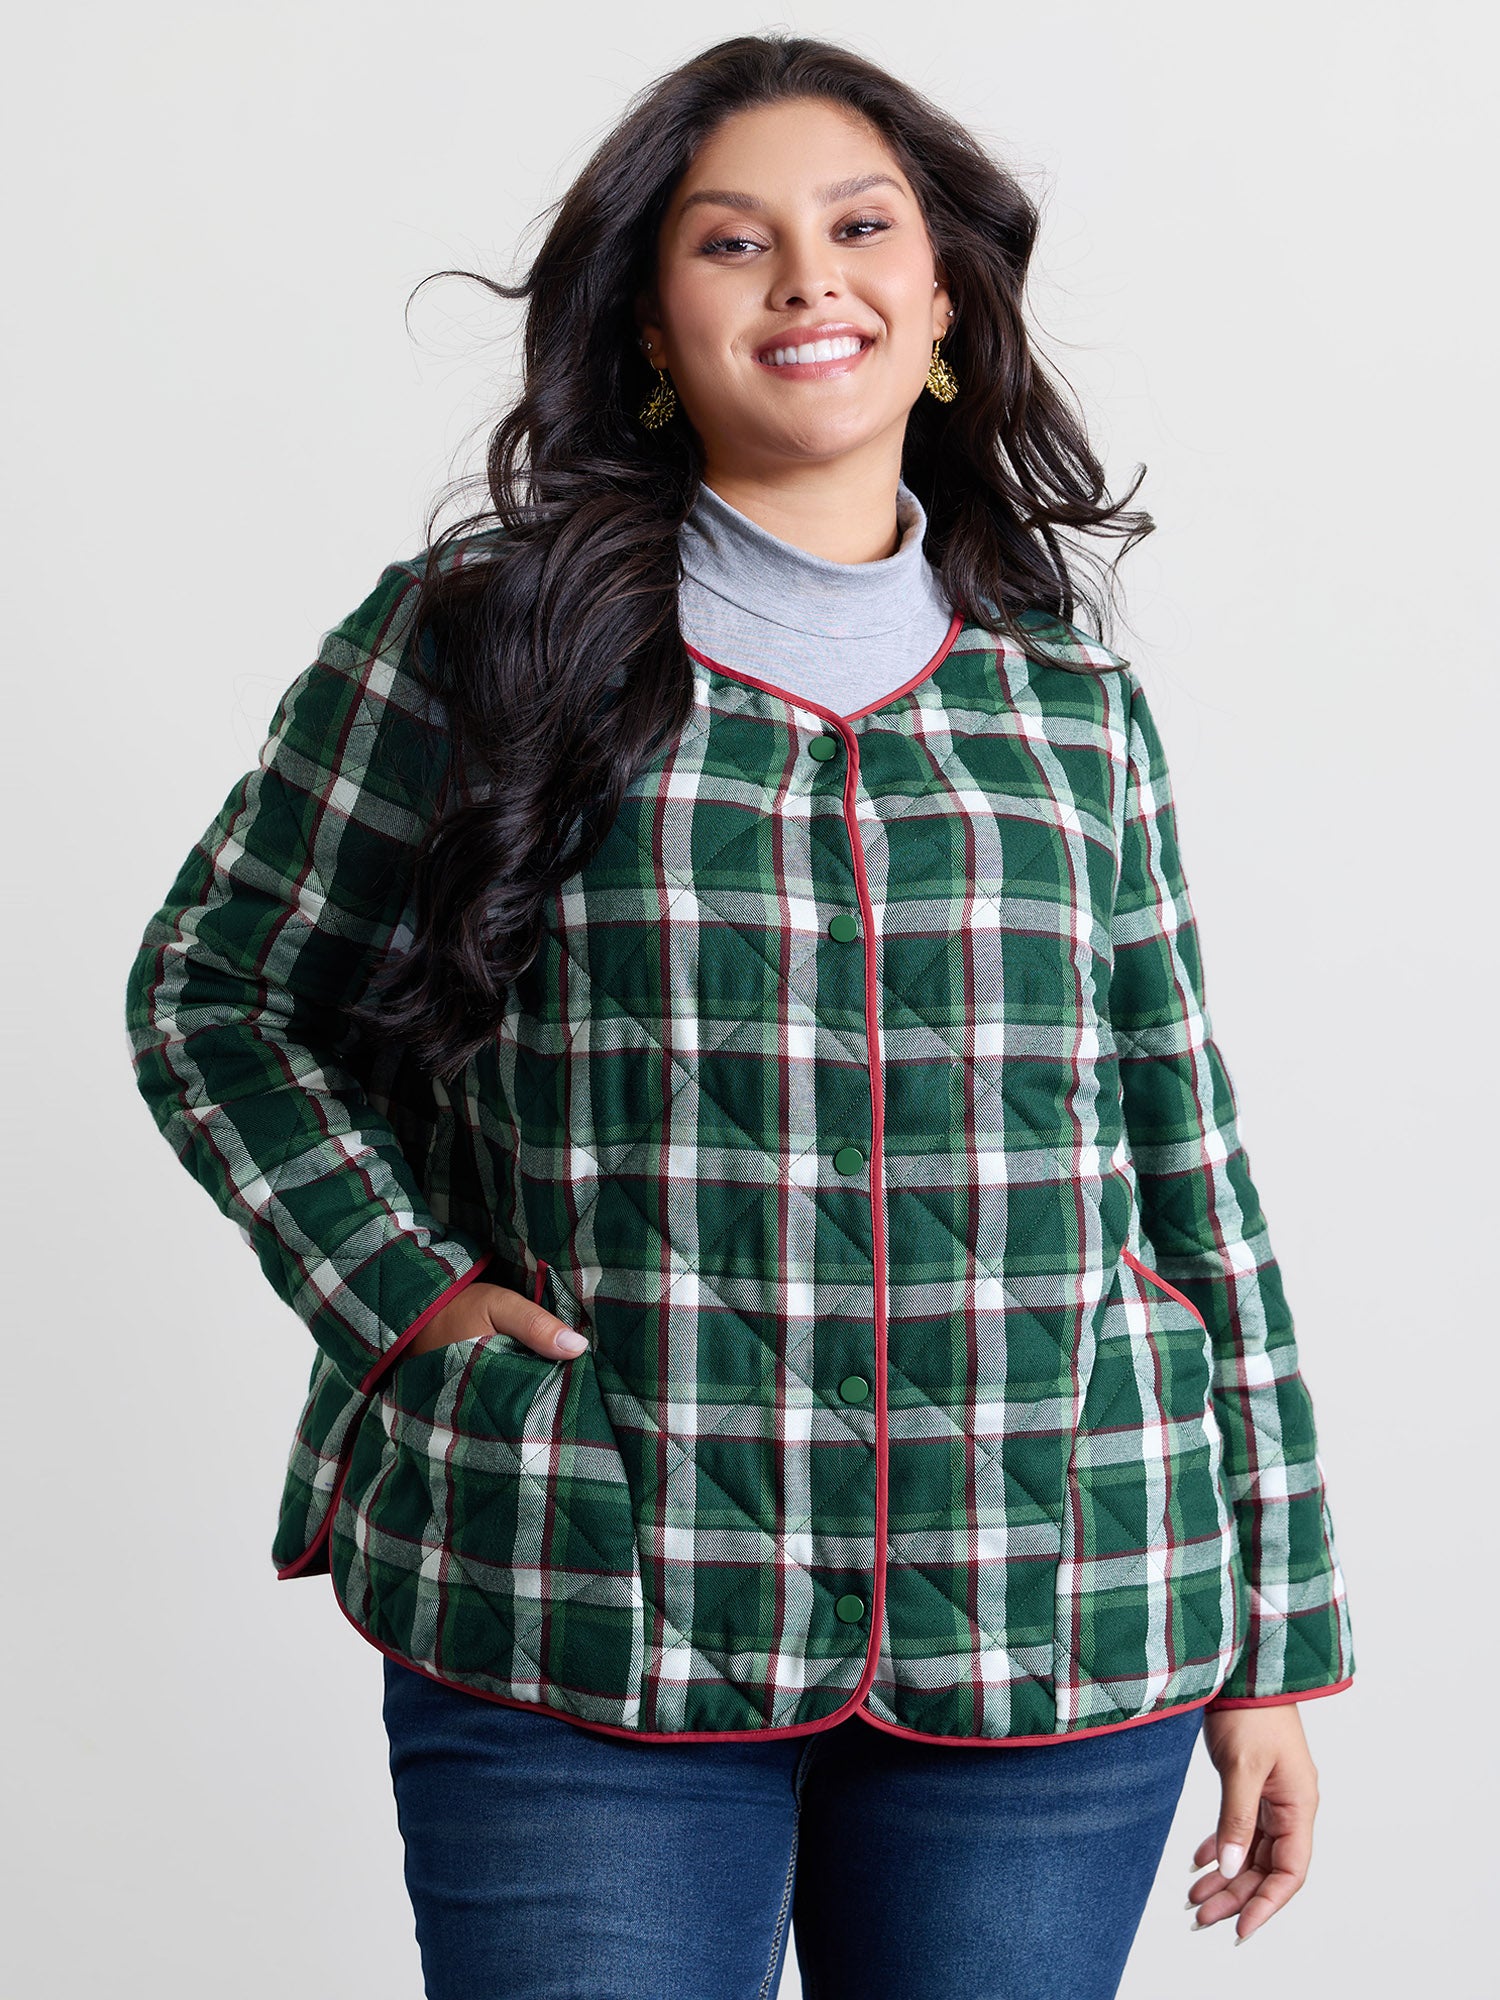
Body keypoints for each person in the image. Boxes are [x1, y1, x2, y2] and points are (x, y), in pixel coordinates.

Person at [123, 32, 1356, 2000]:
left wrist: (1277, 1634)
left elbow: (1185, 1155)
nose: (807, 281)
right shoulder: (475, 640)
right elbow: (218, 993)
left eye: (862, 230)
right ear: (647, 323)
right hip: (584, 1601)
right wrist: (409, 1297)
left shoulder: (1067, 703)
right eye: (731, 241)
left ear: (941, 304)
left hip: (1062, 1621)